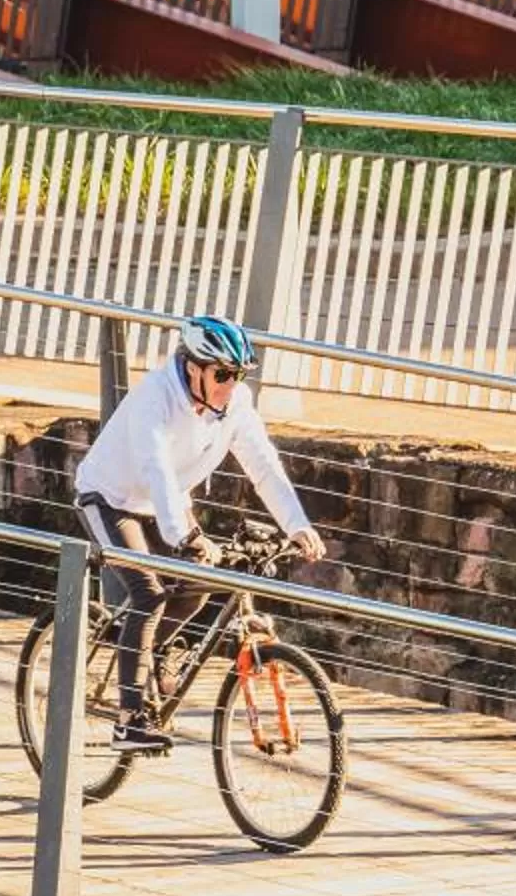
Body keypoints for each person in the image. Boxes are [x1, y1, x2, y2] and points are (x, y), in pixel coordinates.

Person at [71, 314, 326, 750]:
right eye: (222, 375)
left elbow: (263, 464)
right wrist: (183, 535)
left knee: (201, 581)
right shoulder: (155, 396)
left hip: (166, 501)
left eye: (238, 375)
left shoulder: (236, 403)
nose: (231, 385)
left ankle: (149, 650)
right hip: (110, 498)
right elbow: (157, 468)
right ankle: (128, 720)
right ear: (193, 367)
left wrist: (297, 526)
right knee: (149, 592)